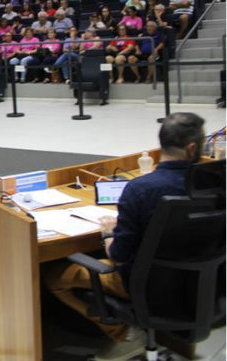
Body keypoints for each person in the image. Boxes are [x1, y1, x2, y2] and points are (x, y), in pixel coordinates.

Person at [44, 112, 205, 361]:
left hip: (145, 285)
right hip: (200, 283)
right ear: (193, 148)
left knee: (53, 276)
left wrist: (109, 232)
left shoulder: (140, 189)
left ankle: (125, 334)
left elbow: (118, 257)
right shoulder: (213, 184)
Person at [134, 20, 165, 84]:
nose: (149, 28)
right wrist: (137, 50)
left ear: (155, 27)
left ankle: (148, 77)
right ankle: (138, 77)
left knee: (151, 58)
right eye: (148, 26)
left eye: (151, 26)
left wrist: (156, 49)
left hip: (156, 55)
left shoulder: (159, 34)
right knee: (131, 58)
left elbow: (162, 43)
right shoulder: (144, 34)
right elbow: (136, 44)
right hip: (142, 53)